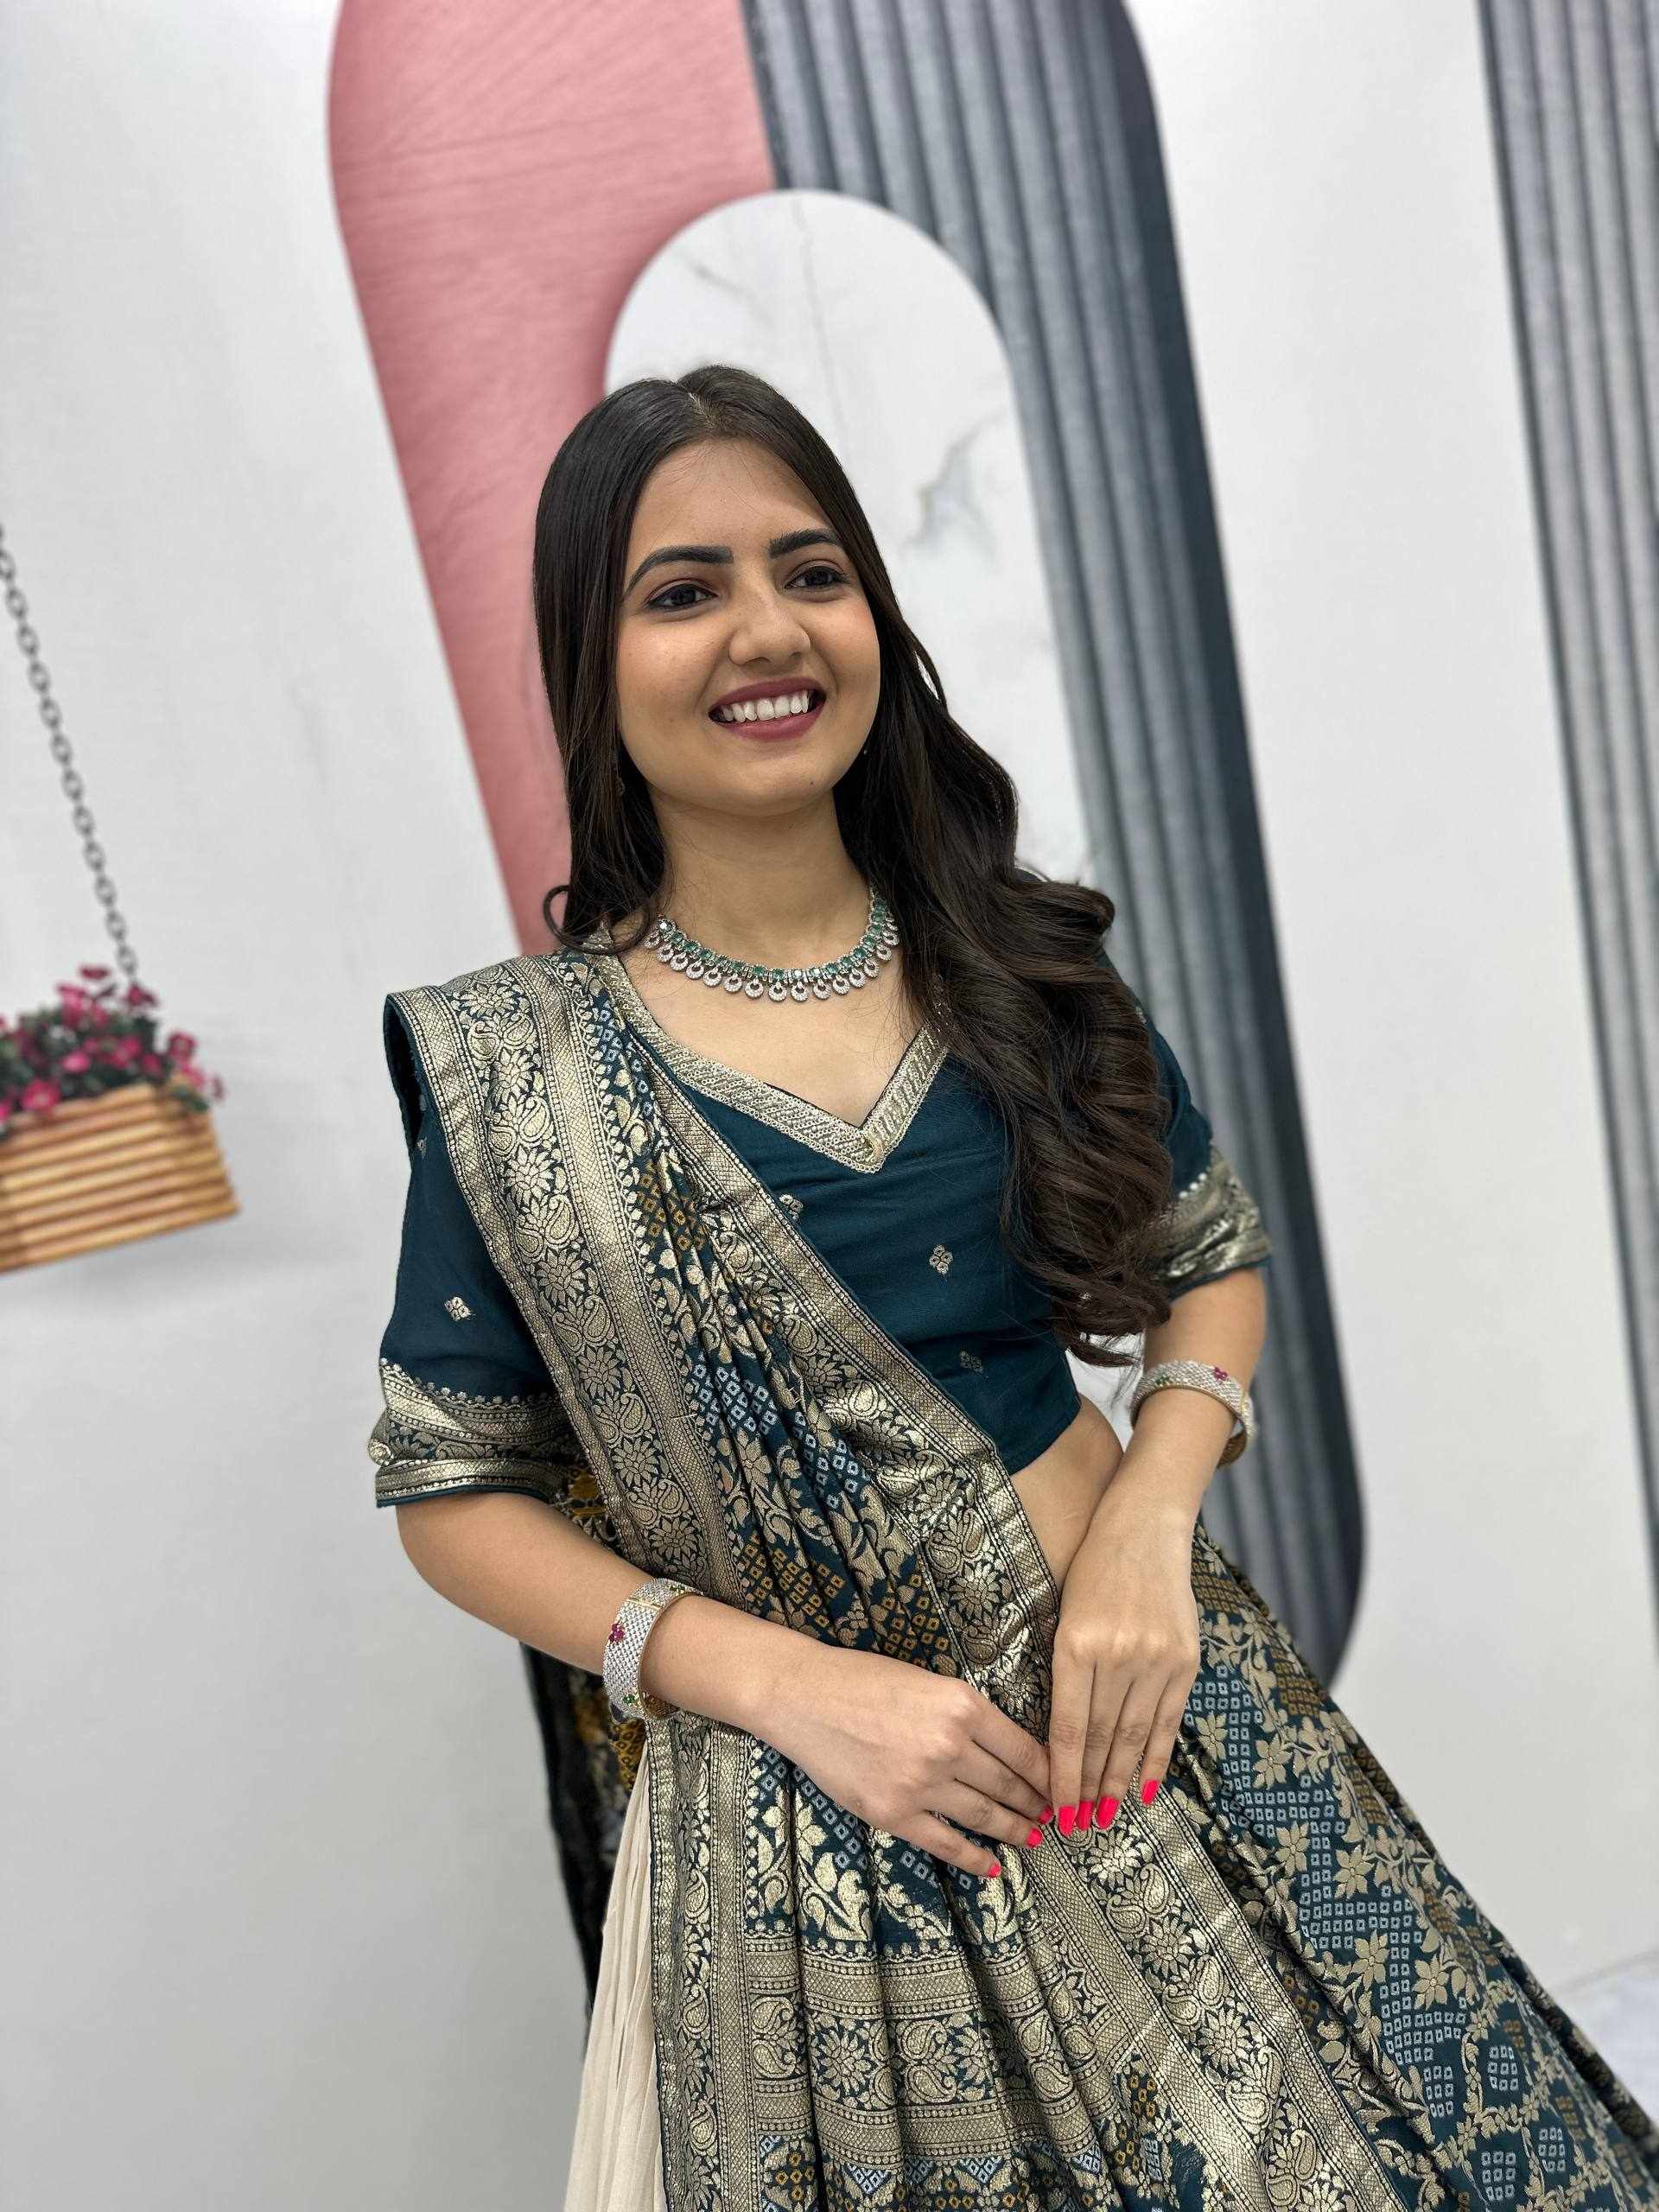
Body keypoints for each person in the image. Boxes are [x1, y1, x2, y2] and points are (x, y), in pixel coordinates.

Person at [366, 365, 1659, 2212]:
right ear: (594, 658)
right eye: (683, 590)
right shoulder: (518, 1078)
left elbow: (1211, 1262)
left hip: (1146, 1722)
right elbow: (452, 1487)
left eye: (813, 571)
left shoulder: (1015, 962)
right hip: (809, 1834)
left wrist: (1147, 1525)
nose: (765, 630)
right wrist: (795, 1687)